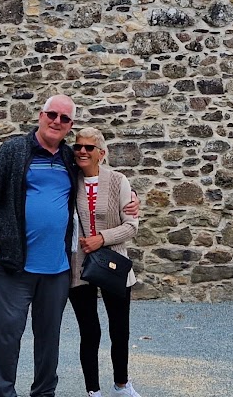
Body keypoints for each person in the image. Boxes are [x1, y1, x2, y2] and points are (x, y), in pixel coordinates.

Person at [0, 94, 138, 397]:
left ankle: (44, 393)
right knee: (6, 336)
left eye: (64, 118)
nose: (56, 121)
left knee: (48, 339)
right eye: (52, 114)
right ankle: (2, 393)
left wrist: (132, 198)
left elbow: (97, 180)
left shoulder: (67, 158)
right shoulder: (13, 151)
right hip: (13, 265)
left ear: (70, 125)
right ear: (40, 115)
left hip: (58, 268)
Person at [69, 128, 142, 397]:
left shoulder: (118, 180)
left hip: (114, 263)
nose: (83, 152)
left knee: (119, 328)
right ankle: (93, 391)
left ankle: (121, 385)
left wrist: (102, 238)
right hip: (78, 266)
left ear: (102, 153)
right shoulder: (68, 180)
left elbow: (132, 225)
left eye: (89, 147)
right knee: (89, 331)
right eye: (78, 147)